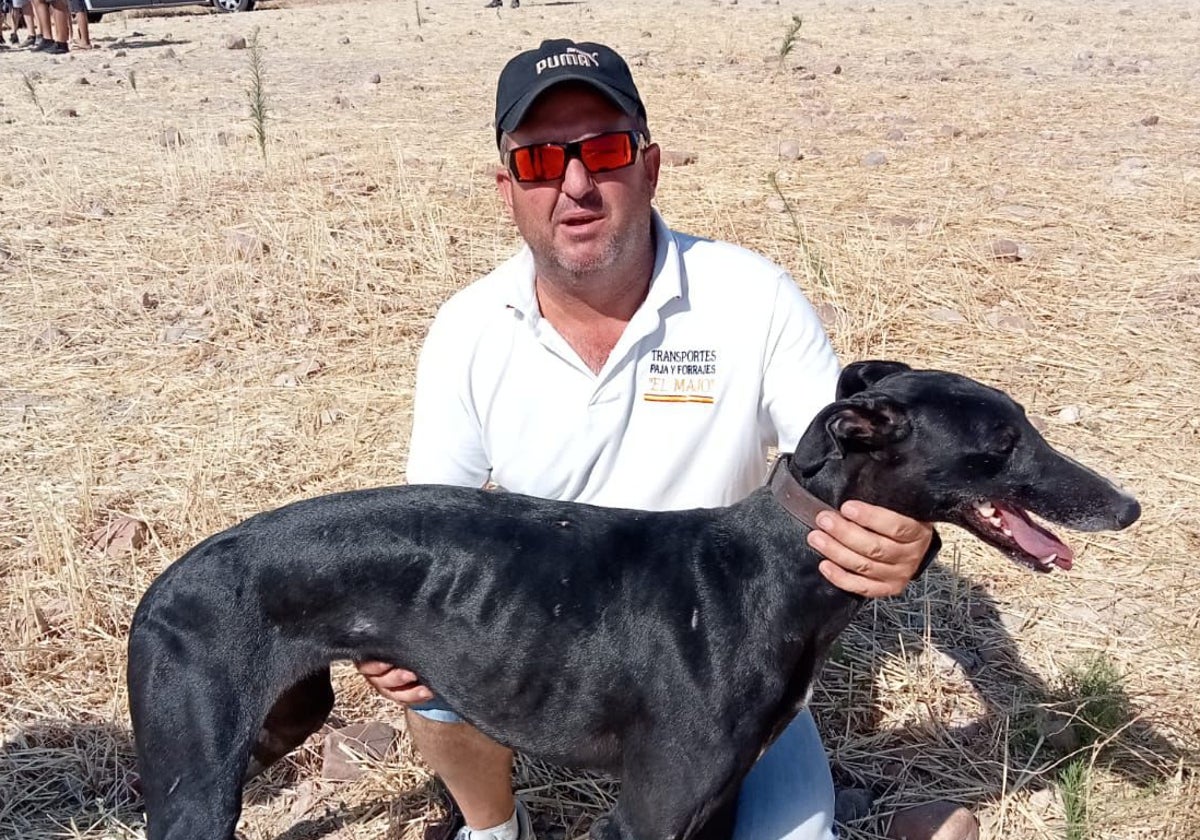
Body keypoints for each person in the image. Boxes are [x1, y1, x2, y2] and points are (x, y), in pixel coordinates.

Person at [357, 39, 937, 840]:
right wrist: (391, 623)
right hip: (547, 643)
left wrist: (910, 542)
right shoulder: (466, 329)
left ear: (651, 166)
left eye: (603, 150)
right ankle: (493, 828)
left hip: (724, 651)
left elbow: (852, 472)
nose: (575, 185)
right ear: (506, 190)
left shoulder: (752, 297)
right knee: (430, 658)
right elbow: (428, 524)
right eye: (538, 162)